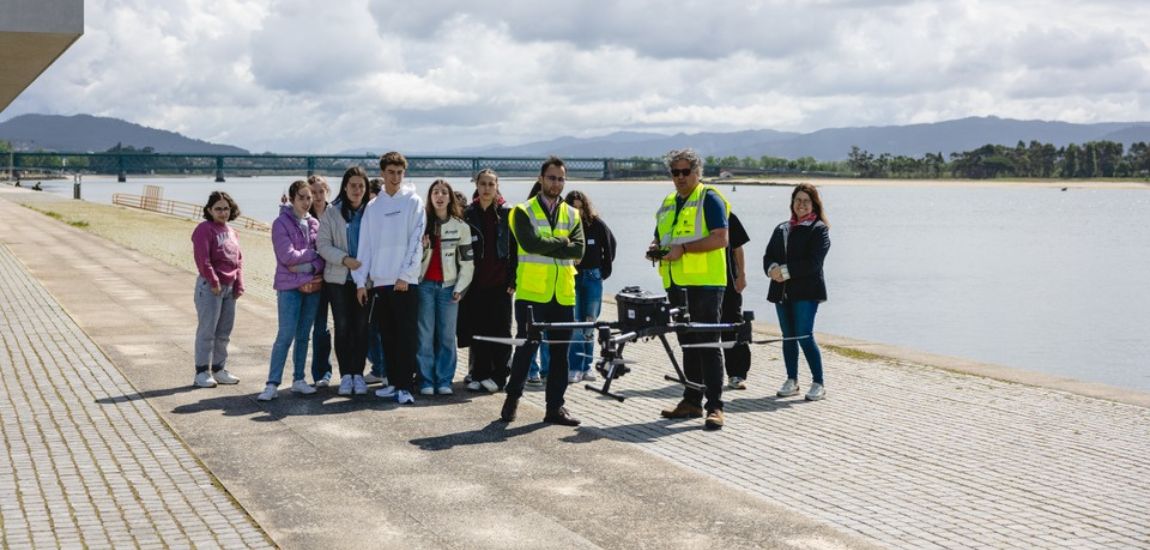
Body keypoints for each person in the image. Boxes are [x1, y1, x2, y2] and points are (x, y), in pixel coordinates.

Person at [648, 148, 730, 430]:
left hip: (705, 282)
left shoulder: (709, 198)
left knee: (708, 343)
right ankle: (692, 400)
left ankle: (716, 406)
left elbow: (721, 239)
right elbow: (662, 237)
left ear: (697, 173)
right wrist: (656, 250)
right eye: (675, 172)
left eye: (685, 172)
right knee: (688, 344)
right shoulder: (669, 201)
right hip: (676, 283)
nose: (680, 177)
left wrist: (683, 249)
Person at [500, 157, 585, 426]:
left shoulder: (573, 213)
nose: (556, 183)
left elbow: (579, 249)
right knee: (527, 350)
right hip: (532, 293)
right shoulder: (522, 211)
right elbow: (530, 243)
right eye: (551, 178)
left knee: (560, 355)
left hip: (563, 294)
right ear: (540, 178)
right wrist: (562, 241)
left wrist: (552, 244)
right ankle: (513, 397)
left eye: (560, 179)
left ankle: (555, 407)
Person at [353, 152, 425, 405]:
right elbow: (366, 245)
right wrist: (361, 280)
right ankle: (392, 382)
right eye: (391, 172)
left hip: (405, 282)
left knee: (406, 336)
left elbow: (417, 241)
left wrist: (405, 274)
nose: (395, 177)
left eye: (399, 172)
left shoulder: (413, 201)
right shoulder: (373, 207)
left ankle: (405, 386)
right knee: (388, 335)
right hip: (381, 281)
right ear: (382, 174)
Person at [258, 180, 326, 401]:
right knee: (285, 335)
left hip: (312, 287)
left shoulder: (315, 223)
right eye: (302, 198)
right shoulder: (280, 223)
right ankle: (272, 383)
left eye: (309, 198)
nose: (307, 202)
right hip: (289, 288)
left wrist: (307, 266)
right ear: (292, 198)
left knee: (304, 335)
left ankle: (299, 379)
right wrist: (311, 257)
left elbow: (322, 257)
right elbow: (286, 257)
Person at [765, 183, 831, 401]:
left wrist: (784, 271)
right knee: (788, 337)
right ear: (792, 203)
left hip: (807, 292)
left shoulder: (819, 229)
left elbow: (813, 263)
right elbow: (768, 256)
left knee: (804, 334)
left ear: (813, 204)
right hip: (781, 292)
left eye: (806, 201)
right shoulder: (781, 228)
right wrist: (771, 269)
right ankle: (791, 380)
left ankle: (818, 382)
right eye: (798, 200)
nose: (801, 205)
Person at [458, 169, 517, 393]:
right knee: (478, 330)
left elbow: (515, 249)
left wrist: (514, 279)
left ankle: (500, 376)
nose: (486, 188)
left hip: (501, 283)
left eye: (491, 184)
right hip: (475, 282)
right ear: (477, 185)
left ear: (497, 186)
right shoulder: (469, 213)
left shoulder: (507, 213)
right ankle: (479, 373)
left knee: (501, 330)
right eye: (483, 184)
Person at [317, 167, 371, 396]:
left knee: (361, 327)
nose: (357, 190)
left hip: (365, 281)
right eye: (353, 185)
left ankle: (358, 374)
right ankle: (346, 375)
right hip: (338, 279)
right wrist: (345, 260)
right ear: (345, 187)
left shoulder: (372, 212)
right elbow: (323, 245)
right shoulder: (332, 212)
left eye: (361, 186)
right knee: (343, 326)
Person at [417, 179, 474, 395]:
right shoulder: (421, 224)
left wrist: (460, 288)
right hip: (424, 287)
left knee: (447, 336)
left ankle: (444, 380)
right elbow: (413, 260)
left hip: (449, 289)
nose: (439, 196)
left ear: (450, 197)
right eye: (435, 192)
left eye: (443, 192)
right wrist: (422, 249)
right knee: (425, 335)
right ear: (430, 197)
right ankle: (425, 380)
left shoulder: (461, 227)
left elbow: (467, 263)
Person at [191, 191, 245, 388]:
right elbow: (202, 259)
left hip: (230, 289)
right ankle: (202, 371)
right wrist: (214, 281)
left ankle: (219, 369)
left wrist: (239, 283)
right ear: (209, 210)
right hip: (210, 288)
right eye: (218, 209)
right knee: (207, 331)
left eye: (226, 209)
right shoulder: (204, 229)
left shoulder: (232, 232)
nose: (223, 213)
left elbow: (238, 260)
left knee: (224, 332)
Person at [563, 189, 616, 383]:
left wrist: (605, 270)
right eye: (573, 209)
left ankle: (587, 368)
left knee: (590, 322)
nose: (578, 212)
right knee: (576, 323)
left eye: (580, 208)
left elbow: (611, 245)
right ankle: (575, 367)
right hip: (573, 277)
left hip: (593, 277)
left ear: (586, 207)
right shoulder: (565, 225)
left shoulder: (597, 224)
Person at [307, 175, 335, 387]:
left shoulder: (335, 212)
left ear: (327, 191)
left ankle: (354, 372)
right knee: (320, 327)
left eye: (320, 191)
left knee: (346, 326)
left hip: (336, 276)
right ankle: (321, 374)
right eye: (312, 192)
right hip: (315, 278)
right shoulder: (303, 217)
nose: (317, 196)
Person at [720, 211, 751, 389]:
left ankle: (736, 374)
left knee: (733, 326)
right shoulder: (688, 213)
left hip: (728, 282)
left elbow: (738, 247)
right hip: (699, 284)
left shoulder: (725, 212)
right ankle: (700, 374)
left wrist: (741, 275)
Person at [363, 177, 387, 385]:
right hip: (370, 279)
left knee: (377, 327)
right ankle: (379, 367)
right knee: (373, 326)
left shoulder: (374, 212)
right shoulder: (370, 212)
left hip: (380, 279)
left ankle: (380, 368)